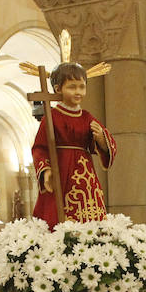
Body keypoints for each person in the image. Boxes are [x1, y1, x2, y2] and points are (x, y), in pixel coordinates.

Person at [32, 61, 117, 225]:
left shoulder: (86, 116)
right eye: (72, 87)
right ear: (58, 89)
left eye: (81, 86)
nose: (78, 92)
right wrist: (46, 170)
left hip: (86, 174)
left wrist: (102, 140)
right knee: (59, 213)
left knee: (90, 216)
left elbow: (101, 141)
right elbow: (39, 148)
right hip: (61, 170)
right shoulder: (52, 117)